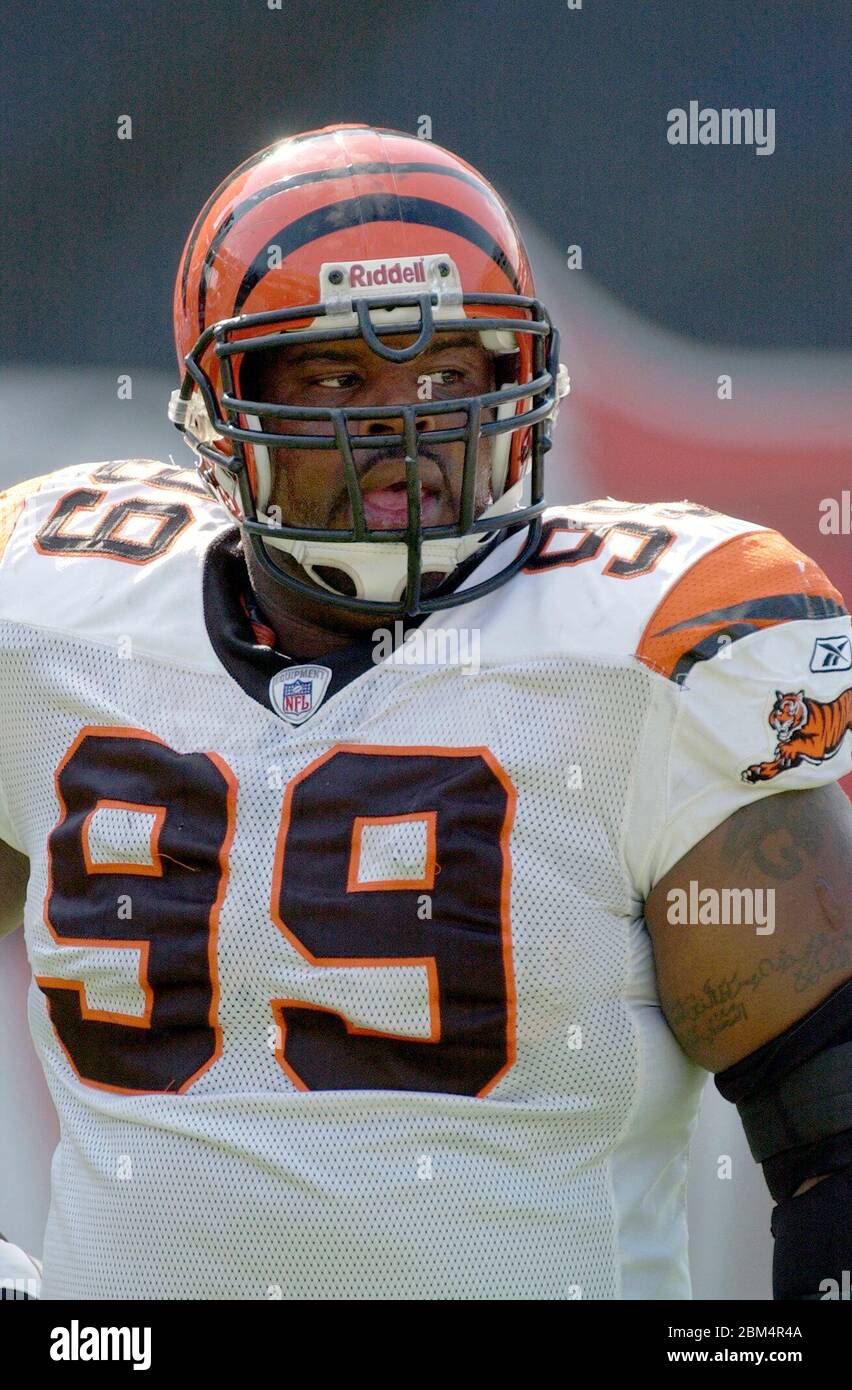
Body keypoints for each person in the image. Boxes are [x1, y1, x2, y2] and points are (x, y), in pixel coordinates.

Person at [0, 123, 849, 1301]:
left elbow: (834, 1128)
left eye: (449, 374)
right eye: (339, 378)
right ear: (220, 408)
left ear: (519, 382)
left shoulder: (648, 661)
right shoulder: (52, 620)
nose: (409, 428)